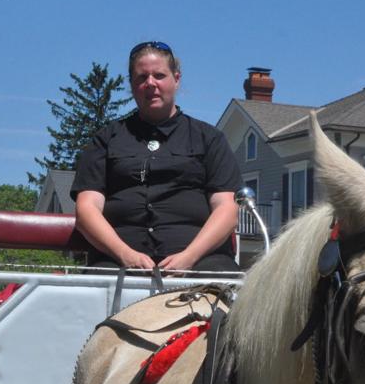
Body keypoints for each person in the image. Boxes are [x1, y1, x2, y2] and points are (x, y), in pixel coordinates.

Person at [71, 41, 243, 272]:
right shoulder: (105, 140)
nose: (150, 83)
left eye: (159, 75)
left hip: (202, 263)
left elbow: (227, 210)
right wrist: (125, 254)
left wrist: (189, 258)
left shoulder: (209, 139)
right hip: (115, 263)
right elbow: (86, 209)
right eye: (142, 77)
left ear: (177, 79)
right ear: (131, 85)